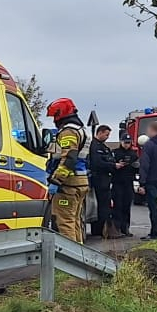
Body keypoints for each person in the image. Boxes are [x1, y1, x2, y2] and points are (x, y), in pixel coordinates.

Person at [43, 97, 91, 244]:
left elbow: (69, 159)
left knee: (64, 222)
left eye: (54, 117)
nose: (53, 121)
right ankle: (81, 258)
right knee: (74, 221)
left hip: (68, 185)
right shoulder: (82, 130)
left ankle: (70, 261)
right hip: (80, 182)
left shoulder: (68, 132)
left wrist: (55, 181)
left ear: (60, 114)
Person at [86, 125, 115, 241]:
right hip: (99, 180)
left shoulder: (104, 147)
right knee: (102, 206)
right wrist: (112, 165)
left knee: (103, 205)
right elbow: (97, 163)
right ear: (100, 132)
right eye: (106, 134)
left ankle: (100, 230)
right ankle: (100, 231)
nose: (107, 137)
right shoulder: (94, 146)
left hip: (105, 180)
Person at [107, 135, 138, 238]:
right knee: (117, 207)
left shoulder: (133, 154)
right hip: (118, 183)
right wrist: (116, 165)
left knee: (126, 207)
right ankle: (117, 228)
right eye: (125, 142)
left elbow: (137, 168)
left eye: (128, 143)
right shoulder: (115, 152)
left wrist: (135, 166)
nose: (127, 145)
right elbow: (110, 166)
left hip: (128, 183)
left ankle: (126, 228)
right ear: (121, 142)